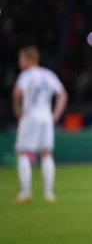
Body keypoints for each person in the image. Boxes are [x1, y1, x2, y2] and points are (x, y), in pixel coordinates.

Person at [12, 45, 68, 204]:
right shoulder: (49, 74)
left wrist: (17, 110)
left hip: (30, 114)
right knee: (47, 153)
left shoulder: (26, 75)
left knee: (22, 152)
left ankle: (26, 191)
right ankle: (49, 193)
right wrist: (55, 115)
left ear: (30, 59)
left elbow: (17, 93)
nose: (19, 62)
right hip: (46, 116)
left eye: (22, 58)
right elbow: (63, 95)